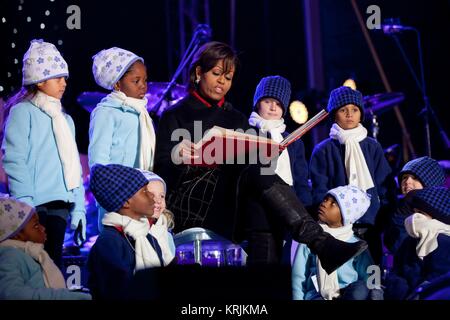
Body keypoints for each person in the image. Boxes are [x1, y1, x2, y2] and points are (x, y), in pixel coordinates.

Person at [154, 41, 367, 274]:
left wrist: (267, 152)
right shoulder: (175, 115)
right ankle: (320, 243)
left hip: (229, 201)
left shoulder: (236, 118)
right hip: (193, 201)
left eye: (229, 77)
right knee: (256, 172)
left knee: (259, 168)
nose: (222, 83)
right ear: (198, 72)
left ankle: (315, 244)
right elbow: (162, 172)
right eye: (216, 74)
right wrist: (180, 155)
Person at [2, 39, 87, 268]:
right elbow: (14, 159)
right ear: (39, 82)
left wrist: (78, 207)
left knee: (53, 264)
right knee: (33, 264)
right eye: (58, 77)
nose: (64, 83)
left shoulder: (65, 120)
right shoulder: (23, 112)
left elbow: (73, 166)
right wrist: (25, 203)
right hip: (34, 204)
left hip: (60, 203)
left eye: (65, 78)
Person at [309, 86, 392, 263]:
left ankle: (375, 287)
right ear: (333, 115)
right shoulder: (323, 150)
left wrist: (384, 213)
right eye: (343, 110)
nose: (349, 114)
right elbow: (319, 188)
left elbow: (384, 183)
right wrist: (329, 218)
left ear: (361, 114)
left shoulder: (372, 146)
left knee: (372, 266)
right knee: (346, 272)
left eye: (354, 110)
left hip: (371, 221)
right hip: (338, 225)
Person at [242, 75, 312, 264]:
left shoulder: (293, 140)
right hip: (260, 219)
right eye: (267, 101)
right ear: (257, 103)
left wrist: (305, 210)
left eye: (278, 103)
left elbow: (300, 179)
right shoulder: (247, 134)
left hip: (290, 221)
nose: (273, 108)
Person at [89, 47, 156, 231]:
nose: (143, 85)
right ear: (117, 84)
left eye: (145, 80)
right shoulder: (106, 112)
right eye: (136, 81)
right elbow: (99, 161)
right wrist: (112, 195)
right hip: (117, 198)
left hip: (140, 195)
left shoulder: (141, 112)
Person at [87, 164, 175, 300]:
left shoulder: (148, 236)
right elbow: (118, 290)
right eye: (145, 192)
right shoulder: (109, 242)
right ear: (126, 202)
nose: (153, 198)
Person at [292, 185, 382, 300]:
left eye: (333, 203)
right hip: (318, 296)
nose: (324, 204)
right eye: (325, 199)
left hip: (347, 295)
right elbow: (299, 276)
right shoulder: (310, 238)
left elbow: (371, 273)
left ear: (345, 215)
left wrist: (376, 293)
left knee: (360, 290)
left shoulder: (356, 244)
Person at [0, 196, 91, 300]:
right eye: (36, 226)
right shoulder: (9, 256)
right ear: (16, 234)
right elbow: (10, 294)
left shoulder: (32, 255)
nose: (43, 228)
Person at [384, 186, 450, 300]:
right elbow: (397, 271)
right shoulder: (410, 241)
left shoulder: (444, 243)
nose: (415, 217)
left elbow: (437, 280)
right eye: (414, 212)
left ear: (438, 217)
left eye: (421, 213)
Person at [384, 156, 446, 254]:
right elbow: (396, 245)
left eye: (415, 178)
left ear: (431, 182)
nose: (407, 182)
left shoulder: (443, 209)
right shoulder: (400, 208)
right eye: (404, 177)